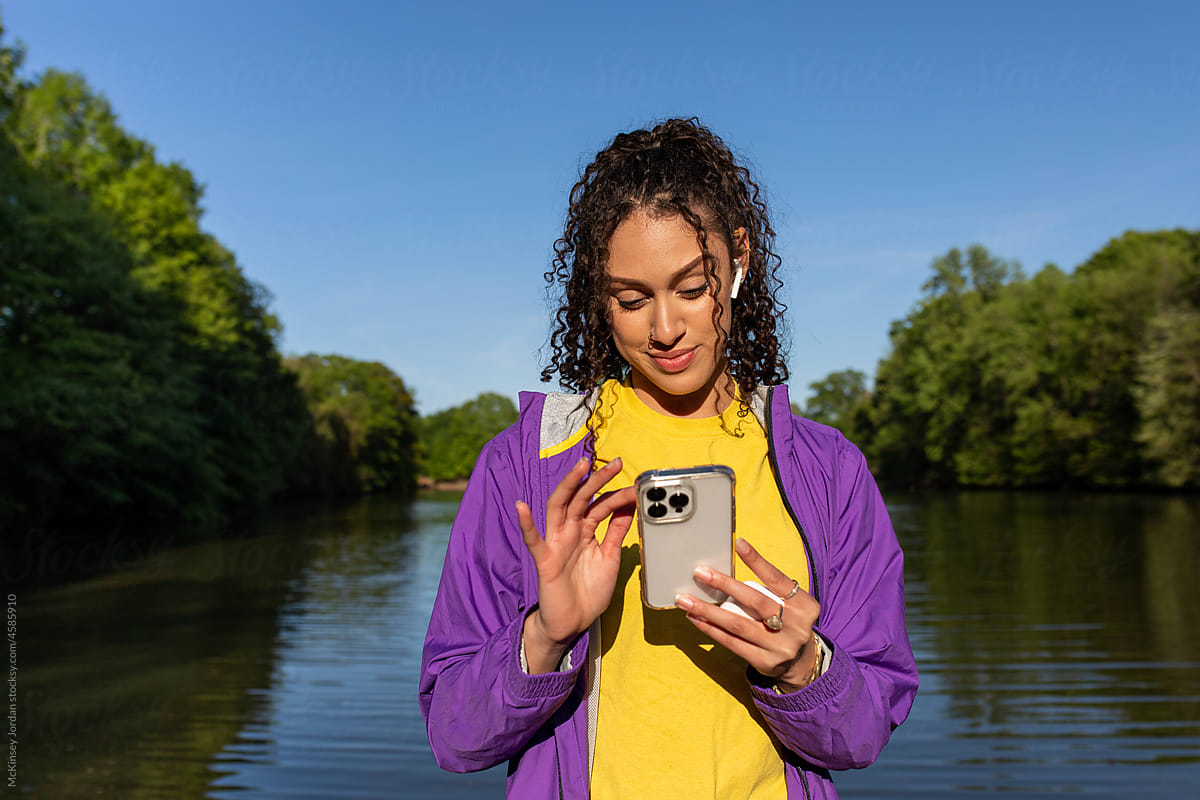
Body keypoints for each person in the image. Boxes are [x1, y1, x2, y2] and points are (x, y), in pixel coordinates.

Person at [419, 118, 918, 799]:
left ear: (739, 259)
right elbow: (453, 735)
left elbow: (862, 735)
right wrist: (547, 634)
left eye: (690, 288)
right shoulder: (526, 464)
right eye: (631, 298)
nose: (665, 329)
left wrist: (805, 668)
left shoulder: (829, 469)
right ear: (598, 294)